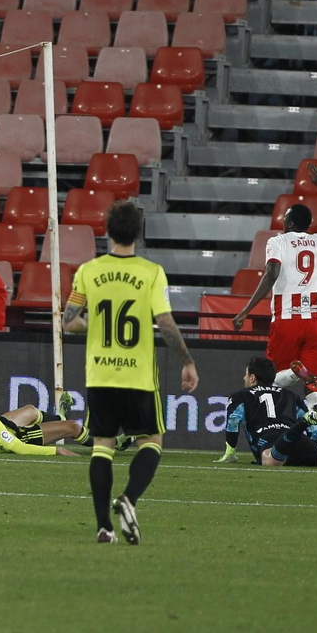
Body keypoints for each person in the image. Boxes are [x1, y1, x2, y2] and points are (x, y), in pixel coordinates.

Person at [63, 199, 199, 545]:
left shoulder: (89, 271)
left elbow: (68, 322)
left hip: (100, 375)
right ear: (138, 233)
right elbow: (166, 324)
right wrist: (186, 361)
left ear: (107, 232)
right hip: (137, 375)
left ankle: (103, 528)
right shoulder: (151, 273)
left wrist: (91, 324)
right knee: (151, 441)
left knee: (102, 447)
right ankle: (129, 498)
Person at [230, 163, 317, 418]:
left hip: (287, 320)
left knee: (270, 381)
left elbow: (272, 272)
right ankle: (316, 433)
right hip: (315, 322)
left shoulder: (278, 241)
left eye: (285, 217)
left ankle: (272, 427)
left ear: (290, 221)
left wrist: (245, 310)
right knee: (313, 382)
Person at [218, 356, 317, 467]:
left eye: (246, 374)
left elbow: (233, 421)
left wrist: (230, 453)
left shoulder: (241, 395)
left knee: (270, 460)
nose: (244, 378)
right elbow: (315, 430)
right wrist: (310, 449)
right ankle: (301, 426)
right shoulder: (290, 395)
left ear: (252, 378)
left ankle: (302, 424)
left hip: (270, 441)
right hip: (299, 439)